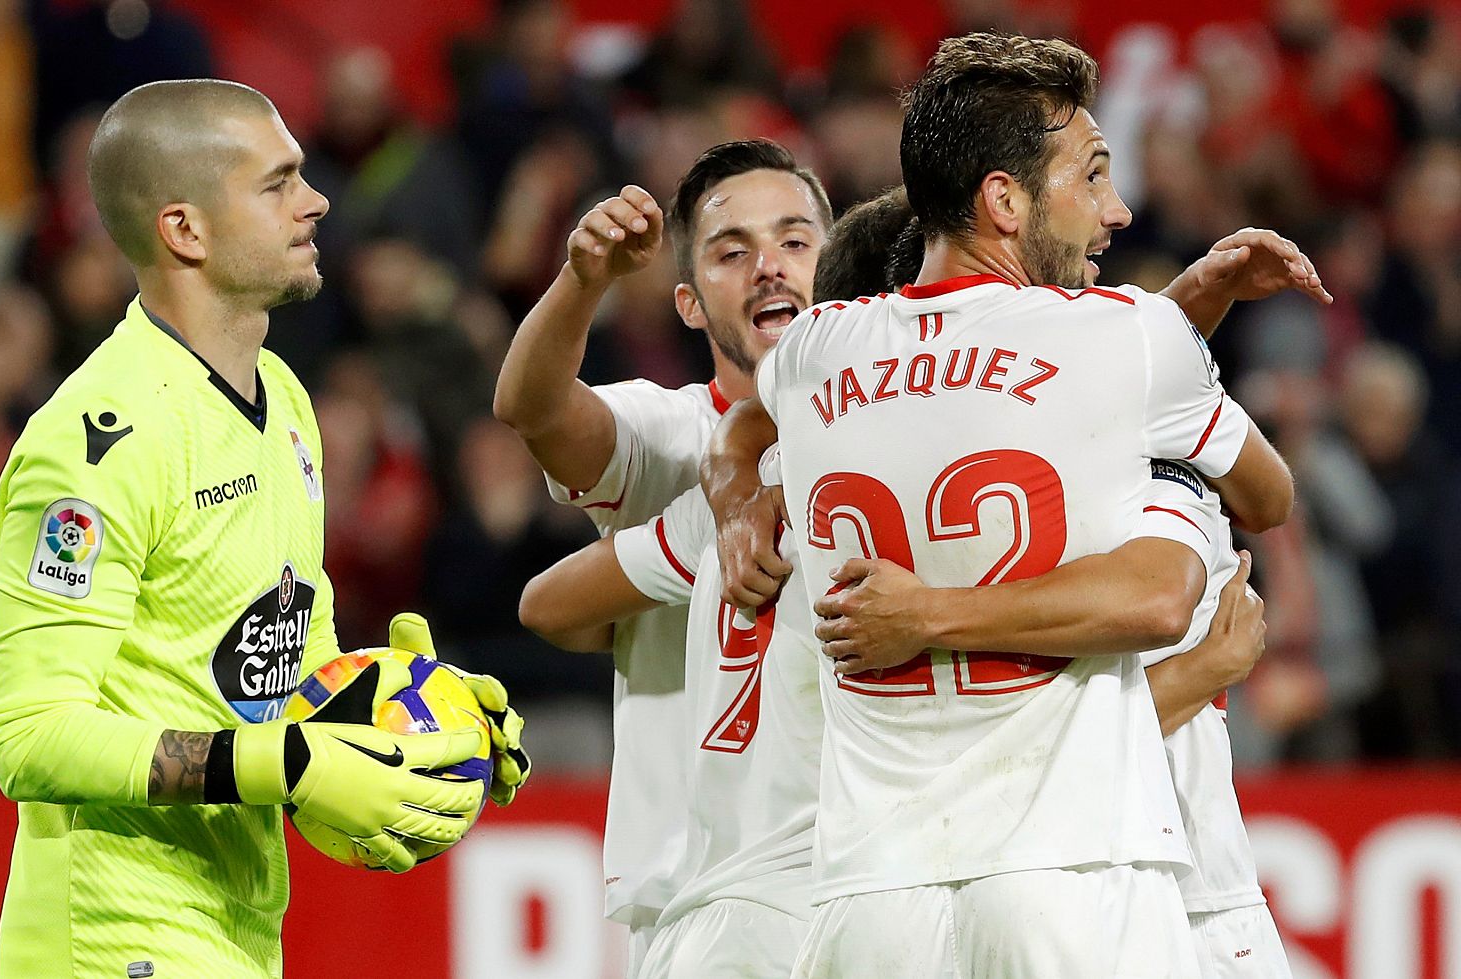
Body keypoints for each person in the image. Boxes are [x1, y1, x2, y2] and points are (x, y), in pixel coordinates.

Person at [518, 184, 1284, 978]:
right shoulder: (966, 514)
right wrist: (1202, 671)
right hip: (852, 889)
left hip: (710, 904)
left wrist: (729, 499)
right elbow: (1009, 744)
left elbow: (548, 603)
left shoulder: (763, 490)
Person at [714, 34, 1298, 975]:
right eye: (1092, 175)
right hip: (1070, 873)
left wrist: (739, 493)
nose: (1117, 208)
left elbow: (743, 422)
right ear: (1004, 200)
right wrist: (933, 616)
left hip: (869, 898)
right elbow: (1265, 498)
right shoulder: (1130, 335)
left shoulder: (816, 351)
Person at [0, 80, 527, 978]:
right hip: (112, 938)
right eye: (276, 184)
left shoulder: (286, 403)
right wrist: (284, 761)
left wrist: (416, 709)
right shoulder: (96, 442)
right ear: (183, 230)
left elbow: (281, 671)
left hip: (237, 933)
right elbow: (32, 735)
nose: (315, 201)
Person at [493, 138, 833, 974]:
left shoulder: (885, 437)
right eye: (731, 251)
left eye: (794, 241)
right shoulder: (666, 434)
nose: (769, 267)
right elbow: (530, 406)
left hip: (866, 879)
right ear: (687, 303)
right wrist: (584, 279)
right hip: (698, 893)